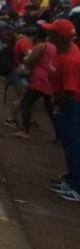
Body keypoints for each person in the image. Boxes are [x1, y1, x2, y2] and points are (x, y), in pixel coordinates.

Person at [46, 19, 80, 201]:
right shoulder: (65, 49)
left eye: (52, 32)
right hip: (67, 104)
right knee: (69, 144)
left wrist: (56, 100)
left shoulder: (70, 61)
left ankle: (77, 187)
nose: (49, 34)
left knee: (75, 145)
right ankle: (72, 178)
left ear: (60, 37)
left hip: (72, 106)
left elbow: (71, 93)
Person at [13, 26, 58, 139]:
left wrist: (27, 58)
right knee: (50, 109)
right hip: (49, 78)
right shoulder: (54, 47)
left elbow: (28, 60)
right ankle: (60, 135)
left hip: (39, 78)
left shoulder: (41, 46)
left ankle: (26, 131)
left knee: (25, 103)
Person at [3, 27, 35, 128]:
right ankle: (10, 118)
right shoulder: (24, 42)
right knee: (23, 96)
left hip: (16, 71)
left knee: (25, 96)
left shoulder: (19, 40)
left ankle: (28, 119)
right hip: (18, 71)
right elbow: (28, 56)